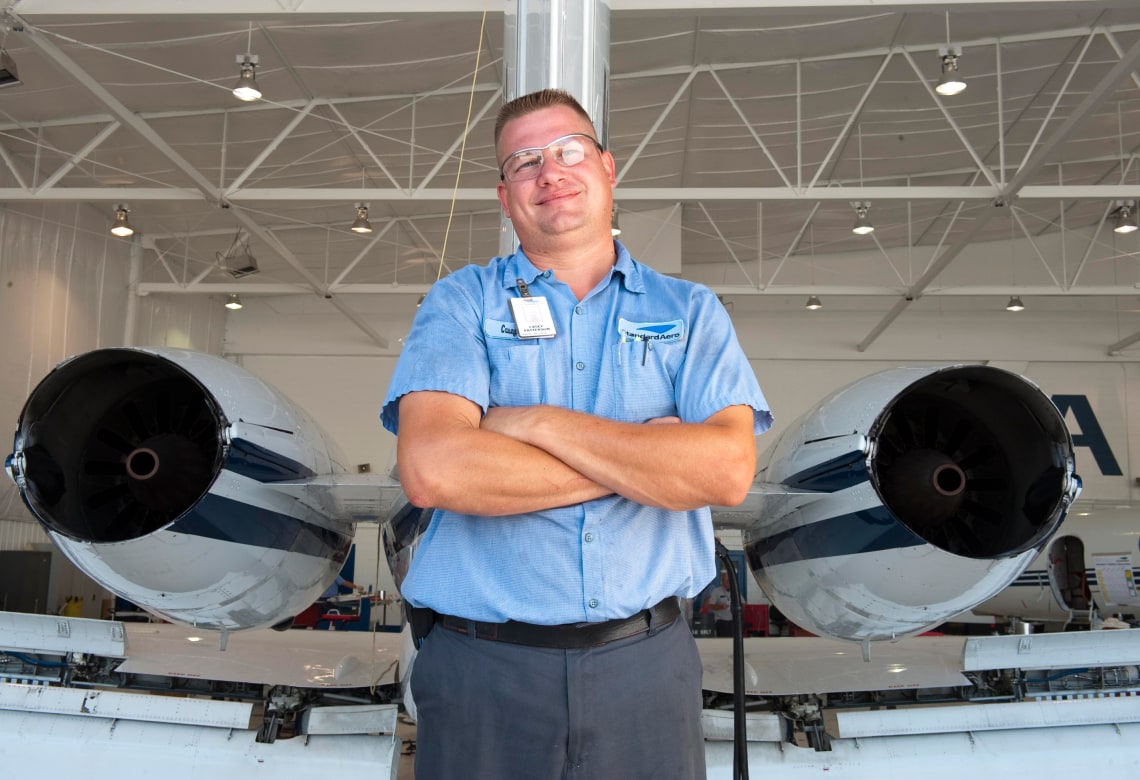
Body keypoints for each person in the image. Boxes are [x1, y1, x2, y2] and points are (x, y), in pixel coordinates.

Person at [381, 88, 772, 779]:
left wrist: (533, 423)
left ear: (607, 167)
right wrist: (649, 462)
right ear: (504, 197)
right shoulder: (462, 302)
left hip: (646, 669)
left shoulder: (691, 311)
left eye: (568, 151)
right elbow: (435, 469)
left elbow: (725, 471)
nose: (549, 172)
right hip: (484, 672)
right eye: (524, 162)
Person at [701, 571, 734, 637]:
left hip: (733, 622)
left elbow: (742, 603)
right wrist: (721, 607)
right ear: (722, 581)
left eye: (729, 580)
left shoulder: (735, 591)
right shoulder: (716, 591)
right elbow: (710, 605)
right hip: (721, 622)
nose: (728, 582)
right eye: (726, 580)